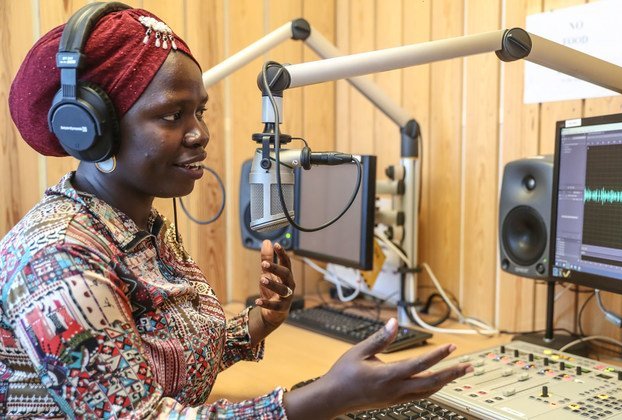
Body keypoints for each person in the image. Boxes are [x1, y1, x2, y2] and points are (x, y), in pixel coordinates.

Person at [0, 4, 471, 419]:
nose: (200, 133)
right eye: (172, 115)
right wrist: (325, 398)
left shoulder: (138, 225)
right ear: (91, 129)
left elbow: (162, 357)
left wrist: (255, 325)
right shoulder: (58, 257)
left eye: (199, 112)